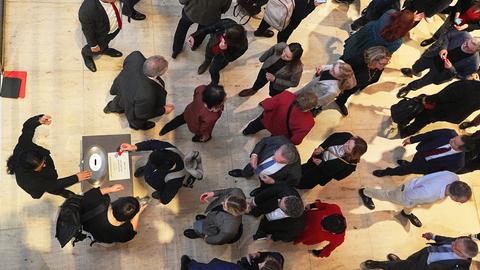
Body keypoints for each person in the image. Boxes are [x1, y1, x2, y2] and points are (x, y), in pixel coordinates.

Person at [6, 114, 91, 199]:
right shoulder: (27, 181)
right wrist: (76, 177)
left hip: (43, 178)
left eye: (43, 162)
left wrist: (38, 120)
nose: (44, 165)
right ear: (31, 170)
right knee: (48, 188)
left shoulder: (23, 146)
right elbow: (52, 185)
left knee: (50, 180)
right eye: (41, 165)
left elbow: (27, 127)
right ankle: (63, 193)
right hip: (37, 186)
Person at [359, 170, 472, 227]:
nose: (459, 203)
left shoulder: (454, 176)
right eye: (458, 201)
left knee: (411, 206)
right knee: (387, 196)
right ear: (452, 196)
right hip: (405, 194)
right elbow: (409, 196)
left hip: (417, 188)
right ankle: (365, 192)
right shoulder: (429, 193)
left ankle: (405, 213)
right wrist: (408, 203)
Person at [103, 51, 174, 130]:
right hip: (133, 102)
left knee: (119, 102)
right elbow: (142, 114)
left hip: (122, 87)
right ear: (157, 75)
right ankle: (135, 126)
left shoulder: (136, 56)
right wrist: (164, 110)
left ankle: (109, 108)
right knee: (136, 120)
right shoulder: (147, 95)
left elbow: (125, 64)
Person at [398, 32, 480, 98]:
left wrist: (451, 68)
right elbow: (448, 36)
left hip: (440, 72)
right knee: (416, 66)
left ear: (476, 51)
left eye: (468, 48)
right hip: (432, 57)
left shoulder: (474, 63)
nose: (464, 46)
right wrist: (443, 48)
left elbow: (462, 76)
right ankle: (413, 72)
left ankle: (408, 88)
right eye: (466, 43)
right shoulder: (464, 35)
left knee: (421, 83)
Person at [372, 128, 475, 177]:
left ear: (461, 149)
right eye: (454, 138)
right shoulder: (449, 133)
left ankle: (388, 172)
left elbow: (441, 173)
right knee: (412, 164)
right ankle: (409, 165)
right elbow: (430, 134)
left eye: (453, 142)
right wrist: (412, 139)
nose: (451, 140)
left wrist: (427, 176)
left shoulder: (458, 163)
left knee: (406, 170)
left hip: (425, 167)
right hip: (422, 152)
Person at [79, 0, 146, 72]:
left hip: (114, 27)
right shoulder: (87, 10)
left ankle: (105, 49)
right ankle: (86, 53)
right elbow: (88, 30)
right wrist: (93, 45)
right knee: (99, 45)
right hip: (101, 33)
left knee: (107, 41)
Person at [398, 80, 480, 137]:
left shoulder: (468, 86)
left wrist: (427, 99)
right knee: (428, 118)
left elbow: (443, 96)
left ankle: (406, 132)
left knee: (424, 118)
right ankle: (408, 127)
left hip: (444, 108)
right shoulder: (472, 86)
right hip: (457, 114)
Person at [343, 9, 421, 68]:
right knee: (354, 61)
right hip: (367, 51)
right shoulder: (397, 42)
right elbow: (385, 54)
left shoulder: (389, 13)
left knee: (349, 51)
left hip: (362, 36)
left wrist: (409, 17)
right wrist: (411, 20)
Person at [228, 136, 301, 196]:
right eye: (275, 154)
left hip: (269, 178)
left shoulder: (295, 172)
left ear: (287, 162)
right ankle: (244, 173)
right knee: (249, 168)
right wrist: (255, 154)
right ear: (280, 148)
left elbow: (289, 184)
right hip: (258, 161)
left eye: (278, 161)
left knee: (265, 187)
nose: (273, 158)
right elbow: (263, 142)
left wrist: (273, 182)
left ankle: (260, 190)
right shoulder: (280, 140)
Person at [117, 140, 184, 204]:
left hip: (161, 182)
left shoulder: (176, 179)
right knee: (149, 167)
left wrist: (162, 199)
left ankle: (160, 192)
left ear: (160, 169)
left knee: (160, 187)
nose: (147, 159)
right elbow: (152, 143)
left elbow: (168, 196)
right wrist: (134, 147)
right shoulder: (167, 148)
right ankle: (146, 170)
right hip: (157, 168)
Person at [362, 233, 478, 269]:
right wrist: (433, 236)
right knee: (408, 262)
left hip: (424, 267)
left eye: (454, 246)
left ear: (462, 254)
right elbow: (448, 239)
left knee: (403, 266)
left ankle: (380, 265)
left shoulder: (460, 268)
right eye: (456, 241)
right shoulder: (462, 241)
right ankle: (402, 264)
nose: (452, 243)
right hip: (426, 252)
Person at [242, 91, 317, 145]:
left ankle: (246, 131)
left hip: (267, 120)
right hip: (279, 134)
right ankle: (265, 145)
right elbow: (295, 141)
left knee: (255, 125)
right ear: (310, 108)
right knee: (271, 142)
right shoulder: (309, 122)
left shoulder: (286, 95)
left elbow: (266, 105)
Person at [80, 184, 149, 244]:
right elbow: (132, 232)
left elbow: (89, 195)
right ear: (128, 219)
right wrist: (138, 213)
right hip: (103, 238)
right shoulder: (123, 232)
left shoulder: (98, 203)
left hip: (87, 225)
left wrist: (110, 189)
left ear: (117, 202)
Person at [187, 19, 248, 85]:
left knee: (213, 70)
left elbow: (230, 58)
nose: (223, 35)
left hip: (223, 57)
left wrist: (224, 50)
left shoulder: (242, 46)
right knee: (208, 54)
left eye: (226, 38)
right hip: (213, 44)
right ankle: (206, 62)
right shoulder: (228, 23)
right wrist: (194, 35)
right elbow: (210, 27)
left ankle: (214, 83)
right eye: (224, 33)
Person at [297, 132, 367, 189]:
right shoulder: (346, 136)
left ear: (353, 154)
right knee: (303, 168)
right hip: (317, 158)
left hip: (319, 174)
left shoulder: (350, 166)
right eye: (348, 142)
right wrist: (322, 147)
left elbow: (338, 176)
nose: (345, 144)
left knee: (305, 182)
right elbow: (333, 137)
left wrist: (321, 165)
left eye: (348, 148)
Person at [335, 46, 392, 116]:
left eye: (386, 63)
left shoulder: (378, 67)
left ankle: (340, 101)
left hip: (356, 85)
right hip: (344, 83)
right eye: (382, 64)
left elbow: (373, 78)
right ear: (373, 60)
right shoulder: (358, 61)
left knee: (348, 93)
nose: (383, 67)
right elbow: (341, 65)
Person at [159, 84, 226, 142]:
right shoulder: (212, 116)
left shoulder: (201, 89)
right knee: (201, 135)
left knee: (179, 119)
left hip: (189, 112)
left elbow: (196, 93)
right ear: (215, 105)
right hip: (196, 125)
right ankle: (197, 139)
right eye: (222, 101)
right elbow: (205, 128)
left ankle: (166, 128)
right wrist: (205, 135)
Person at [238, 43, 304, 97]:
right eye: (284, 51)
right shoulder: (281, 46)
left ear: (294, 59)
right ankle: (253, 90)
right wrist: (262, 59)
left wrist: (275, 79)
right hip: (267, 69)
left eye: (287, 56)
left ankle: (270, 102)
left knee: (273, 94)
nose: (282, 55)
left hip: (278, 84)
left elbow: (294, 83)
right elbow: (270, 51)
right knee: (259, 81)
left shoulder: (297, 68)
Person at [253, 0, 323, 43]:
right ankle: (280, 49)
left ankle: (259, 31)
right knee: (284, 34)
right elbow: (298, 17)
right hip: (289, 19)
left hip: (274, 7)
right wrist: (312, 5)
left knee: (270, 16)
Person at [180, 251, 284, 270]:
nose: (260, 263)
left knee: (216, 265)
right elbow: (277, 256)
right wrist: (258, 254)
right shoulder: (278, 259)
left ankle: (189, 266)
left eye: (262, 264)